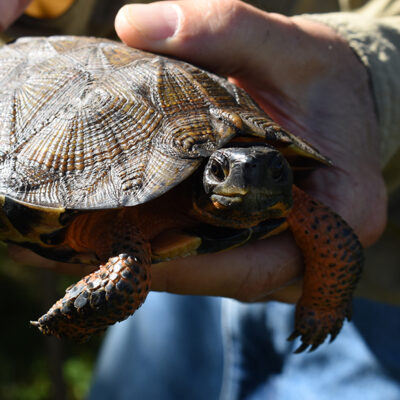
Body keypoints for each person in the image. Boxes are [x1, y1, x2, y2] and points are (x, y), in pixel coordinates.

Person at [1, 1, 399, 399]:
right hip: (167, 307)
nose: (252, 177)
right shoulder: (132, 221)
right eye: (224, 170)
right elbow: (126, 268)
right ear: (206, 177)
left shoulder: (290, 201)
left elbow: (336, 241)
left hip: (378, 304)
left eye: (274, 169)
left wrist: (325, 304)